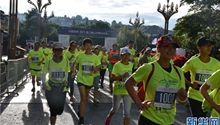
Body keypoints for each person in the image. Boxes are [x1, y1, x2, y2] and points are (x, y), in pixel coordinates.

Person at [125, 34, 187, 125]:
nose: (171, 50)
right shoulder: (148, 68)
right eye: (166, 47)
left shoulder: (179, 72)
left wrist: (183, 98)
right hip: (149, 119)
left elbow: (182, 101)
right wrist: (138, 103)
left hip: (169, 121)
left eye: (173, 47)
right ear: (158, 49)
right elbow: (128, 84)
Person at [181, 37, 220, 118]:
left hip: (208, 97)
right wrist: (190, 83)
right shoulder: (192, 61)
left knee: (202, 119)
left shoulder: (216, 63)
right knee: (197, 119)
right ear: (199, 47)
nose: (209, 48)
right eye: (206, 45)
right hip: (194, 95)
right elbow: (180, 72)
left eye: (210, 46)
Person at [41, 42, 70, 125]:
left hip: (62, 89)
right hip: (50, 88)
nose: (58, 52)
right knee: (53, 110)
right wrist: (43, 83)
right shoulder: (48, 62)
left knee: (60, 110)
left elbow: (67, 72)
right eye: (56, 50)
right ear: (53, 51)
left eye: (60, 50)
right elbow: (43, 74)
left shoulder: (66, 61)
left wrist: (66, 80)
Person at [73, 38, 101, 124]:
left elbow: (99, 66)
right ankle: (81, 118)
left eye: (90, 45)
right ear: (83, 47)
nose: (88, 47)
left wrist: (96, 69)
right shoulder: (80, 56)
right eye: (86, 45)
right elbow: (75, 63)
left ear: (92, 46)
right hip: (81, 78)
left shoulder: (95, 57)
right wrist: (74, 72)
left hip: (90, 80)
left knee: (84, 100)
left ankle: (80, 108)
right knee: (83, 98)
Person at [105, 47, 133, 125]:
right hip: (118, 91)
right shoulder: (117, 65)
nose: (127, 56)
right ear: (121, 55)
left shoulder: (131, 65)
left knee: (127, 112)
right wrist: (122, 76)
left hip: (128, 91)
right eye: (125, 55)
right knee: (115, 110)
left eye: (128, 55)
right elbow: (112, 78)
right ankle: (109, 116)